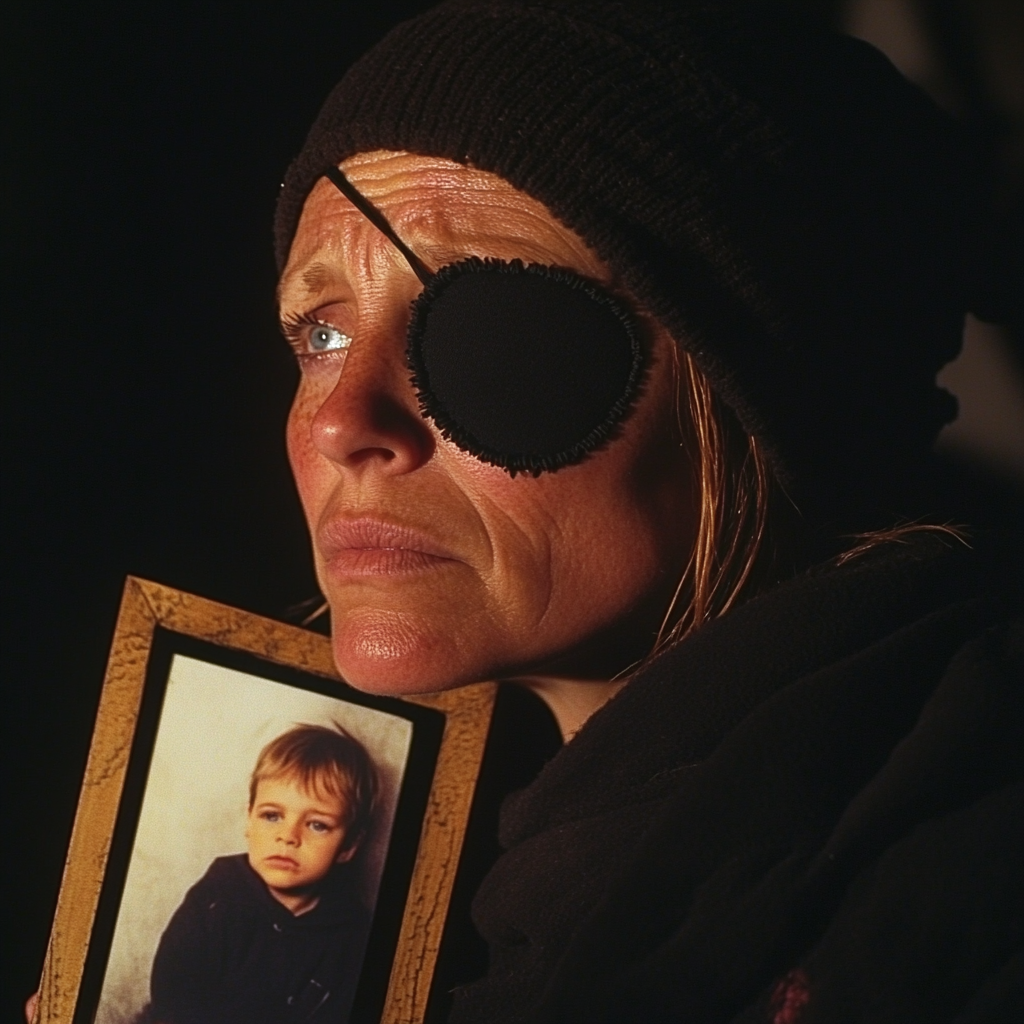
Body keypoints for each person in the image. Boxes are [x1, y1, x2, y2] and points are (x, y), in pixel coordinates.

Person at [24, 2, 1021, 1022]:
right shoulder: (531, 892)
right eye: (319, 334)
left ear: (752, 392)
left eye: (489, 335)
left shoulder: (952, 899)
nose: (338, 422)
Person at [146, 723, 377, 1024]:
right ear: (249, 819)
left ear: (348, 845)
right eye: (272, 816)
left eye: (317, 824)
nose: (288, 836)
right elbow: (172, 994)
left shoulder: (352, 933)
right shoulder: (217, 896)